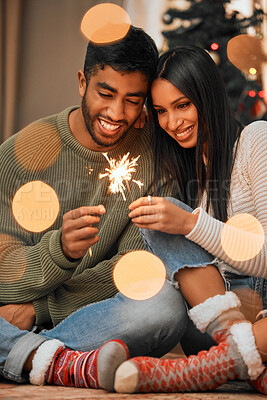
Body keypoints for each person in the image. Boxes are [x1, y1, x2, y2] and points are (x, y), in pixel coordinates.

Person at [0, 27, 188, 389]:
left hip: (95, 319)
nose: (117, 113)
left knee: (164, 307)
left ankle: (25, 355)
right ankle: (60, 362)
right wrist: (59, 252)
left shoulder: (154, 158)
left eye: (133, 100)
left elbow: (137, 267)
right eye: (106, 93)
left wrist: (40, 311)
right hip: (55, 327)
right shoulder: (20, 154)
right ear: (82, 82)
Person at [110, 45, 267, 394]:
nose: (173, 123)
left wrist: (191, 225)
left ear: (207, 96)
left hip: (260, 300)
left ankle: (221, 363)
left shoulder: (256, 140)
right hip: (213, 321)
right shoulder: (187, 174)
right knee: (157, 211)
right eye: (161, 111)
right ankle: (240, 352)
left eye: (182, 105)